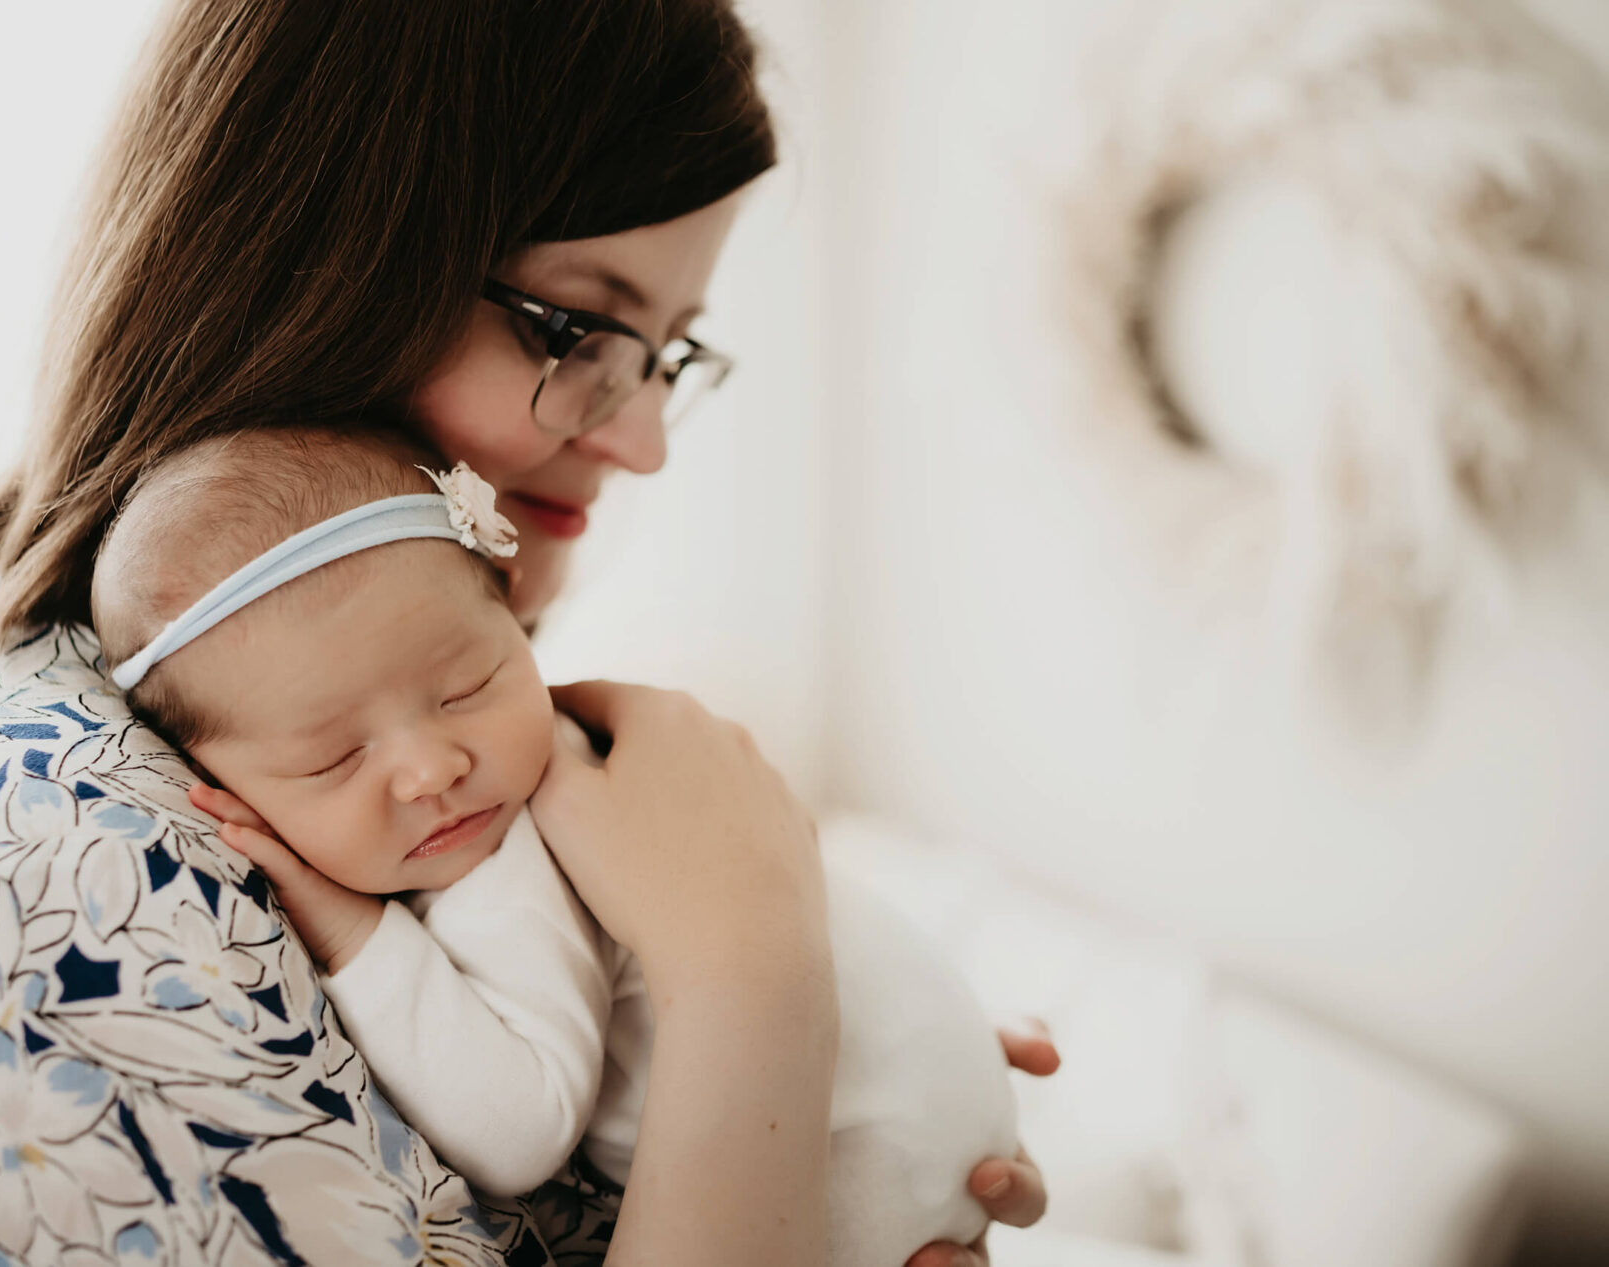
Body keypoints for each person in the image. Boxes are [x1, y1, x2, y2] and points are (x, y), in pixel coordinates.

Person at [0, 2, 1055, 1263]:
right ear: (314, 258)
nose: (643, 441)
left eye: (669, 352)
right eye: (576, 331)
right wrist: (753, 994)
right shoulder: (50, 897)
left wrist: (833, 1100)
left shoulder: (296, 728)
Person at [89, 425, 1023, 1264]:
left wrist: (349, 935)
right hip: (918, 1099)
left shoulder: (506, 862)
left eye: (466, 686)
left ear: (514, 609)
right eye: (334, 757)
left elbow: (520, 1124)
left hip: (872, 1140)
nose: (431, 768)